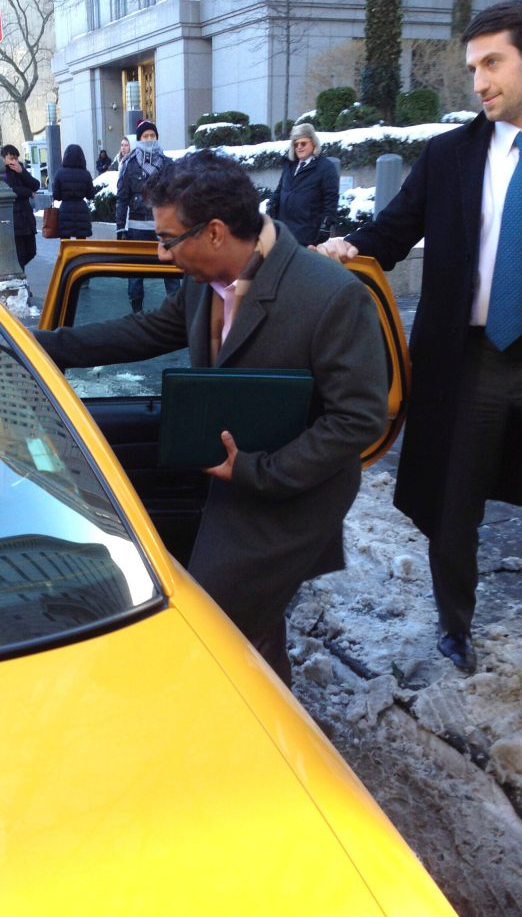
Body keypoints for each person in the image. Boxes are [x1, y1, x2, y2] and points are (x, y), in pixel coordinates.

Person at [34, 150, 388, 684]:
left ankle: (255, 737)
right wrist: (39, 346)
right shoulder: (205, 285)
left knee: (215, 625)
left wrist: (258, 471)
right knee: (247, 624)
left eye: (169, 240)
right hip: (229, 480)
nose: (159, 254)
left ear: (216, 232)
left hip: (291, 491)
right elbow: (145, 332)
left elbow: (359, 420)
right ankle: (269, 712)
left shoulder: (330, 295)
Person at [317, 0, 522, 727]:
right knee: (452, 506)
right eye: (472, 66)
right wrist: (342, 249)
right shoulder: (451, 156)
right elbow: (390, 230)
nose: (477, 81)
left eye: (492, 63)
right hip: (465, 359)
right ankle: (455, 627)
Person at [116, 119, 179, 312]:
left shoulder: (168, 164)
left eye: (152, 135)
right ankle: (137, 310)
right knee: (136, 273)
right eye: (145, 136)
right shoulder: (130, 164)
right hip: (137, 229)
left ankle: (176, 310)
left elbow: (176, 195)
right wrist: (120, 227)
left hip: (164, 228)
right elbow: (122, 197)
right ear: (139, 139)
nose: (149, 139)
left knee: (171, 272)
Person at [267, 123, 339, 246]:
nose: (299, 147)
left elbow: (331, 199)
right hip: (283, 232)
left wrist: (325, 225)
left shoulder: (325, 168)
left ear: (313, 143)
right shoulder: (289, 165)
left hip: (307, 235)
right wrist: (272, 203)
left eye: (303, 143)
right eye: (296, 144)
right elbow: (280, 189)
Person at [1, 143, 40, 269]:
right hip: (13, 218)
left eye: (16, 158)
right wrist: (29, 193)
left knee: (31, 251)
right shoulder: (2, 172)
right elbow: (11, 189)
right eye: (11, 158)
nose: (14, 161)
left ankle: (18, 274)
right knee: (20, 254)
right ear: (4, 159)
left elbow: (35, 184)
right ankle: (20, 280)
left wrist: (22, 172)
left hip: (26, 217)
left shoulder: (20, 170)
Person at [52, 144, 95, 238]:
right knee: (81, 244)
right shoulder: (86, 174)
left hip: (65, 210)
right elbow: (90, 195)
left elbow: (56, 196)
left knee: (65, 242)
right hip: (81, 211)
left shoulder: (59, 173)